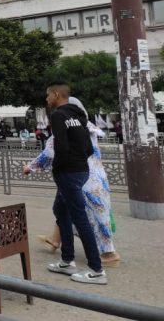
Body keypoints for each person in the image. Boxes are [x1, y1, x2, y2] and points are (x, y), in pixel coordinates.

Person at [24, 97, 120, 268]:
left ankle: (101, 259)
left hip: (76, 177)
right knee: (68, 209)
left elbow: (49, 153)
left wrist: (30, 167)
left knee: (84, 216)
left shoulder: (65, 127)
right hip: (96, 176)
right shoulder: (87, 126)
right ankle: (59, 244)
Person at [40, 83, 106, 285]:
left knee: (79, 217)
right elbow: (87, 146)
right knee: (60, 210)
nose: (47, 99)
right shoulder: (79, 116)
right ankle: (67, 260)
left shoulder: (58, 115)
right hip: (81, 169)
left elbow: (60, 145)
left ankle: (96, 269)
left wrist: (59, 168)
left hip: (68, 172)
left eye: (48, 95)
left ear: (56, 94)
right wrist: (77, 161)